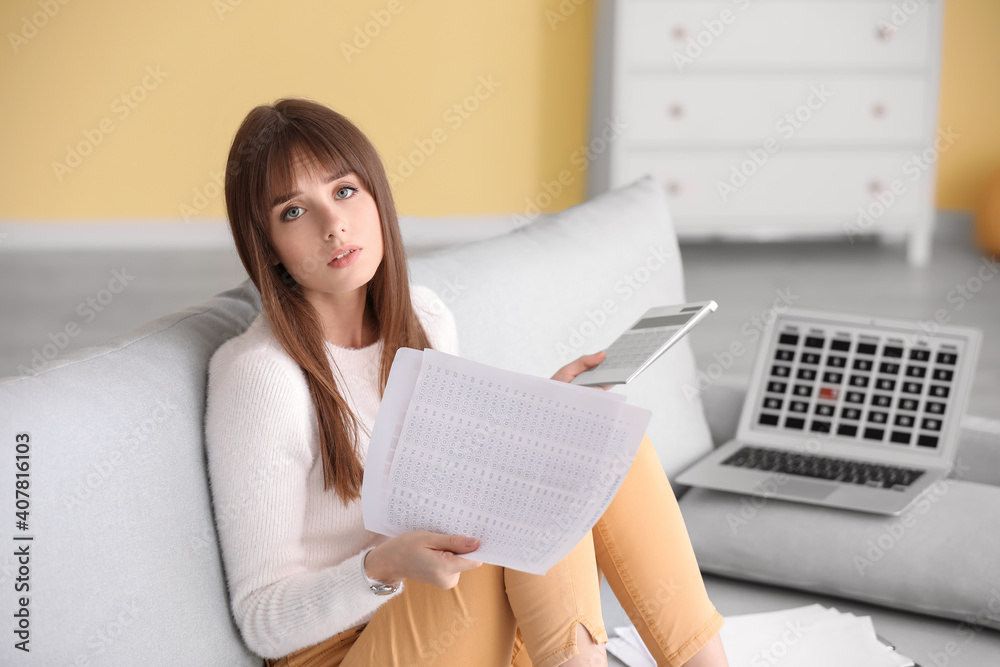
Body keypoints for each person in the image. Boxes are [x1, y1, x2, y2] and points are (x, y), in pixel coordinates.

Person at [204, 97, 729, 667]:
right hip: (341, 651)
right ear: (269, 249)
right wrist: (383, 567)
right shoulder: (261, 377)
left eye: (344, 191)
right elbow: (262, 620)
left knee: (596, 444)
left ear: (376, 195)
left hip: (452, 626)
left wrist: (543, 416)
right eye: (293, 212)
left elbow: (461, 482)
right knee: (512, 507)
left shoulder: (425, 319)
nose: (334, 225)